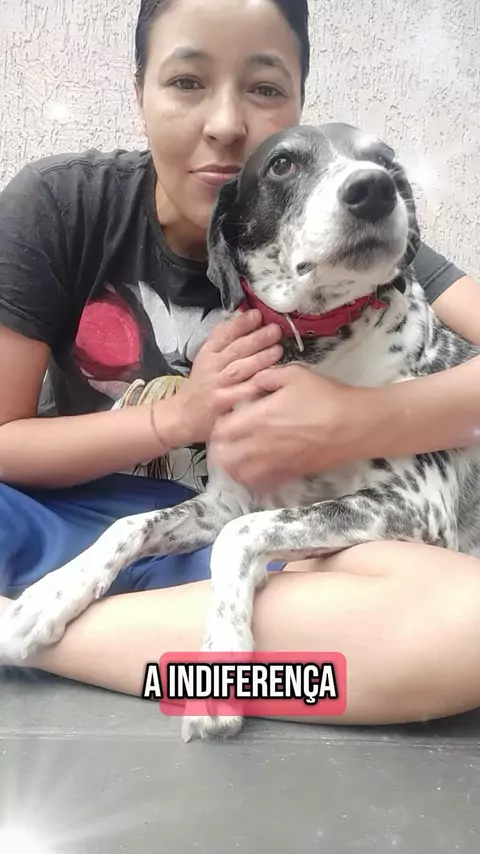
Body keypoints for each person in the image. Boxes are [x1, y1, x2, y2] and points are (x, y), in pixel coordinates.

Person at [0, 0, 480, 726]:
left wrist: (357, 421)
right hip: (87, 520)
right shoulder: (63, 204)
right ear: (138, 91)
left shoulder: (361, 225)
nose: (225, 123)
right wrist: (179, 417)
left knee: (460, 625)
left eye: (263, 88)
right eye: (187, 81)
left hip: (293, 567)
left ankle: (36, 641)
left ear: (298, 104)